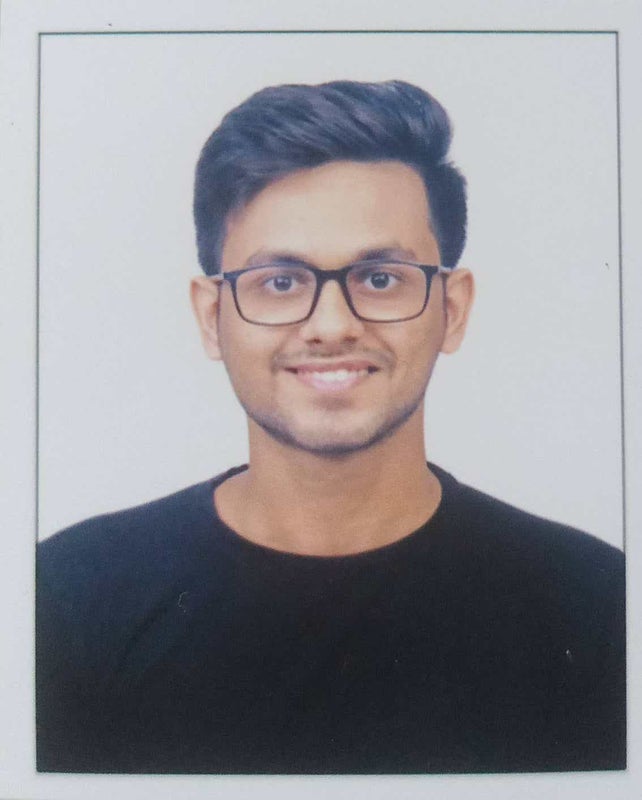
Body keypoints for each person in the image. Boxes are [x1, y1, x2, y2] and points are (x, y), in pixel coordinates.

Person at [36, 79, 625, 774]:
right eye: (280, 282)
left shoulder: (598, 607)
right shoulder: (67, 600)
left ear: (453, 309)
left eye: (380, 278)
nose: (332, 325)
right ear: (211, 317)